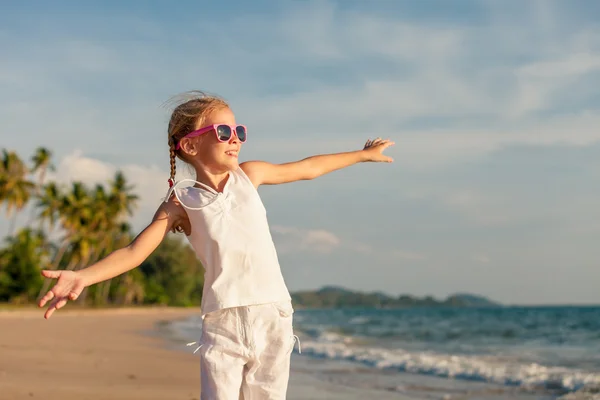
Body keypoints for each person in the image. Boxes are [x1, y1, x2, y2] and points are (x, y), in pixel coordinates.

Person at [38, 90, 394, 399]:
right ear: (191, 145)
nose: (236, 138)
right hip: (223, 319)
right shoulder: (179, 204)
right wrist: (82, 277)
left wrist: (361, 155)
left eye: (239, 131)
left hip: (273, 314)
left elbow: (308, 167)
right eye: (224, 132)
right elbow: (134, 252)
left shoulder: (250, 176)